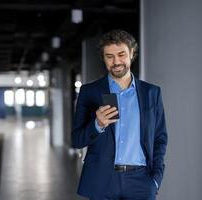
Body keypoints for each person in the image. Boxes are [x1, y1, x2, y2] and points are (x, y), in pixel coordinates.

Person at [71, 29, 168, 200]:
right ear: (104, 58)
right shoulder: (89, 92)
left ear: (132, 53)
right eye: (109, 56)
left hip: (141, 181)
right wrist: (97, 124)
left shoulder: (151, 93)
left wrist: (155, 180)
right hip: (103, 180)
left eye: (121, 54)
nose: (116, 61)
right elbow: (77, 140)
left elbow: (160, 138)